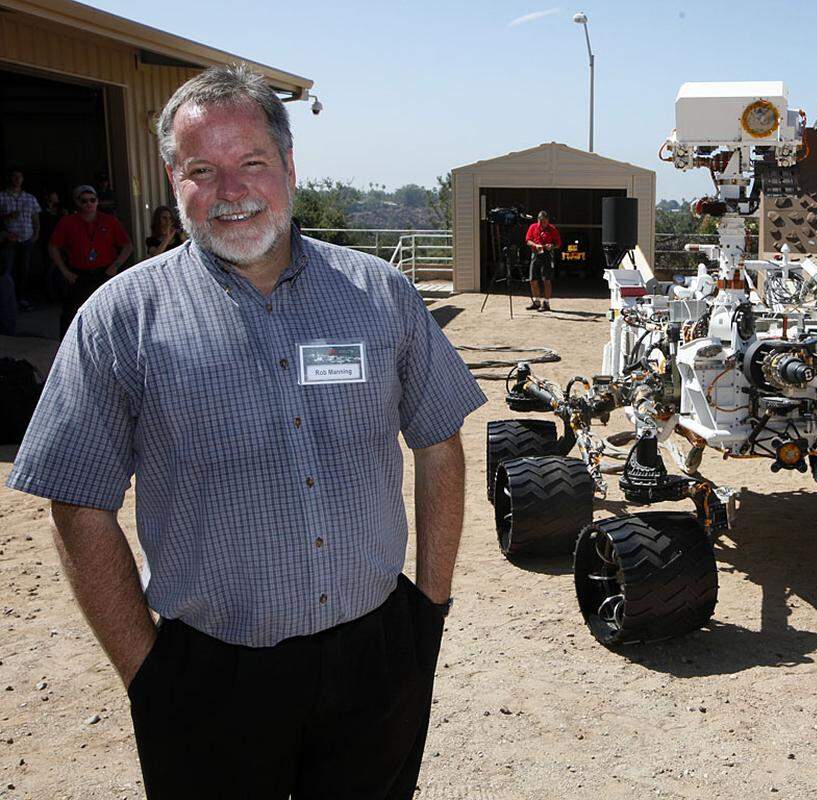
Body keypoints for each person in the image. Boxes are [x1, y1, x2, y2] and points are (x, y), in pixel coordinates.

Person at [6, 64, 485, 799]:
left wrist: (429, 609)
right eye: (204, 169)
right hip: (207, 676)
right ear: (175, 181)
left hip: (377, 654)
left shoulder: (379, 294)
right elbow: (77, 502)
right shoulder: (118, 319)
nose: (232, 191)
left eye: (252, 162)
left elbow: (438, 442)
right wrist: (149, 672)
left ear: (289, 166)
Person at [48, 185, 133, 337]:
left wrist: (115, 266)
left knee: (110, 312)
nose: (89, 204)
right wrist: (65, 272)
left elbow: (127, 246)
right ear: (77, 202)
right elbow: (53, 247)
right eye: (84, 201)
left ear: (97, 202)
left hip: (104, 272)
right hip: (78, 275)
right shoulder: (67, 222)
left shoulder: (109, 221)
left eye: (92, 200)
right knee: (71, 315)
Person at [0, 168, 41, 325]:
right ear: (10, 179)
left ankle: (22, 299)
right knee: (7, 271)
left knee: (24, 269)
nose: (17, 180)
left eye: (20, 177)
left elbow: (35, 217)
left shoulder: (29, 198)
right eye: (14, 177)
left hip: (27, 238)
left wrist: (36, 234)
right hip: (9, 239)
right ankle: (7, 301)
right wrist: (6, 217)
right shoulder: (2, 196)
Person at [525, 209, 560, 312]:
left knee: (546, 280)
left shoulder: (552, 229)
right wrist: (535, 245)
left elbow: (558, 244)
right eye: (540, 221)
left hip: (546, 255)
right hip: (535, 254)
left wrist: (551, 246)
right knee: (532, 279)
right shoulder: (533, 227)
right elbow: (528, 240)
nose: (542, 224)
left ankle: (546, 303)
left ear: (548, 220)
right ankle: (536, 301)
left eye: (544, 222)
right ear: (538, 220)